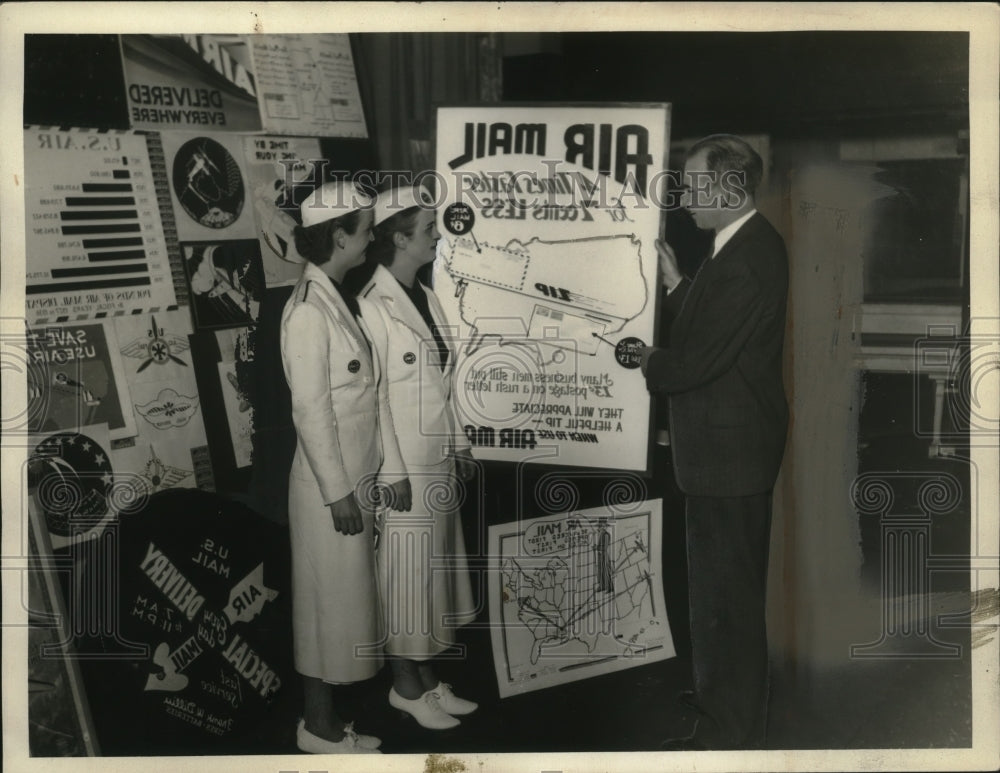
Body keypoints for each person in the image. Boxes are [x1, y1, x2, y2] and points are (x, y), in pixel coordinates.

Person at [639, 134, 789, 750]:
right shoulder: (737, 247)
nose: (683, 198)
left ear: (729, 189)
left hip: (728, 460)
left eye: (694, 186)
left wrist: (640, 358)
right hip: (727, 455)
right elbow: (715, 331)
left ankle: (729, 735)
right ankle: (720, 707)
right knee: (719, 600)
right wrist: (678, 287)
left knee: (725, 605)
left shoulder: (748, 257)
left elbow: (696, 362)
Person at [280, 181, 411, 754]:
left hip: (355, 479)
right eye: (364, 230)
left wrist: (383, 473)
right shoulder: (308, 311)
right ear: (338, 236)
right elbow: (310, 412)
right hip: (327, 489)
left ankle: (323, 723)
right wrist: (338, 493)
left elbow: (367, 394)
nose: (371, 239)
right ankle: (318, 727)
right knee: (322, 607)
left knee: (344, 605)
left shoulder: (335, 295)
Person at [361, 185, 478, 730]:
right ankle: (404, 686)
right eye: (429, 230)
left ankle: (427, 677)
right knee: (405, 580)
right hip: (404, 470)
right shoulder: (370, 306)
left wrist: (459, 445)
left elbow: (443, 384)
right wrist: (393, 473)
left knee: (433, 579)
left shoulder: (425, 296)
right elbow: (375, 400)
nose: (439, 235)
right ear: (399, 237)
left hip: (437, 460)